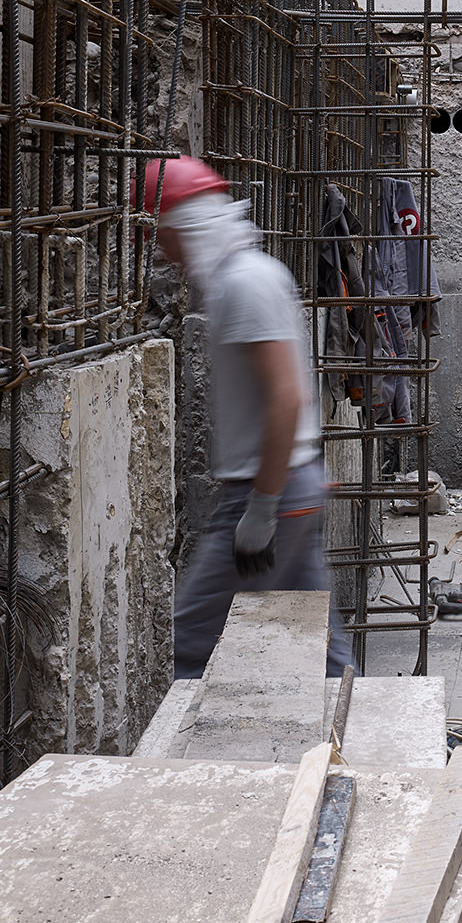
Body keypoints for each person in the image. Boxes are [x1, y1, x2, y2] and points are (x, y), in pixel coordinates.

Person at [133, 155, 354, 678]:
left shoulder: (243, 285)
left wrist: (262, 508)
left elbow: (285, 398)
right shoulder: (249, 275)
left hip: (266, 493)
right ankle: (380, 739)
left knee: (187, 643)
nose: (160, 250)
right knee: (324, 647)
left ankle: (175, 761)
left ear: (184, 226)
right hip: (288, 487)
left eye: (161, 233)